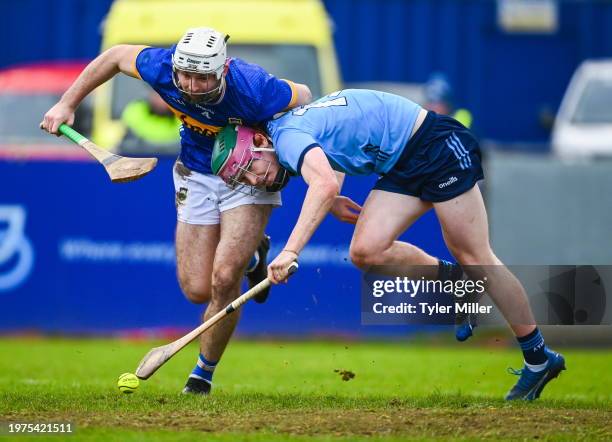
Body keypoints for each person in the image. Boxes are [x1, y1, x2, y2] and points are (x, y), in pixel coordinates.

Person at [211, 89, 566, 400]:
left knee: (475, 256)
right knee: (365, 251)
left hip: (435, 146)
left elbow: (323, 183)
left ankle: (538, 357)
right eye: (245, 179)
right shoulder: (284, 133)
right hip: (402, 164)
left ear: (259, 143)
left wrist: (290, 250)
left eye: (251, 168)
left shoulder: (285, 138)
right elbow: (330, 148)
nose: (256, 179)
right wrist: (332, 200)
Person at [41, 27, 312, 395]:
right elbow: (116, 55)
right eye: (185, 75)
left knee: (223, 277)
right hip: (195, 173)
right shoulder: (163, 66)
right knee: (197, 289)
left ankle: (202, 375)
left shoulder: (254, 87)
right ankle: (253, 259)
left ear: (221, 71)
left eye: (202, 78)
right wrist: (66, 103)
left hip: (248, 178)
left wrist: (282, 151)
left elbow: (306, 96)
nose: (191, 85)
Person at [120, 90, 181, 154]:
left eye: (164, 96)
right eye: (157, 95)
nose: (160, 100)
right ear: (151, 94)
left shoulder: (185, 114)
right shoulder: (134, 111)